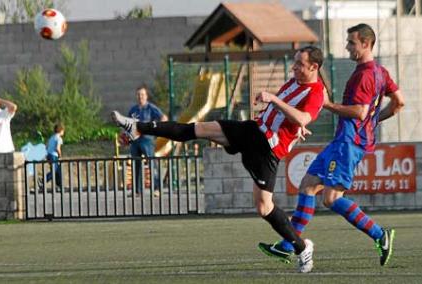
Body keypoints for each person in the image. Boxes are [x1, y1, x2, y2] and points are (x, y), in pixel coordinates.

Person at [111, 46, 326, 273]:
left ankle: (302, 247)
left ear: (314, 67)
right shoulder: (294, 81)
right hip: (254, 131)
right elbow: (291, 116)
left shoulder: (317, 92)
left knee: (264, 207)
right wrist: (291, 121)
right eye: (294, 62)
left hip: (267, 150)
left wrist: (274, 100)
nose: (294, 67)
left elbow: (302, 116)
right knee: (197, 129)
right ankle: (137, 128)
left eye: (300, 64)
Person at [262, 23, 405, 267]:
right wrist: (373, 120)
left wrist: (327, 105)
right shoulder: (380, 72)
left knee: (330, 197)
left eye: (352, 42)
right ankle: (289, 245)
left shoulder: (364, 75)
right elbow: (398, 102)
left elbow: (359, 112)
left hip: (348, 143)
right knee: (307, 186)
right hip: (345, 141)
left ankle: (380, 234)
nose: (348, 46)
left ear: (366, 44)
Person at [126, 85, 167, 195]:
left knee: (151, 163)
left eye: (142, 94)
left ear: (146, 96)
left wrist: (157, 128)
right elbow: (127, 124)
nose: (140, 97)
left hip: (147, 140)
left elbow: (163, 118)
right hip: (135, 141)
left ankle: (157, 189)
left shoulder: (151, 108)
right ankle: (137, 191)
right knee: (136, 164)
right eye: (139, 94)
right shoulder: (133, 110)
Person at [39, 123, 65, 189]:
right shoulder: (59, 138)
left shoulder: (51, 137)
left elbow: (46, 146)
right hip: (54, 155)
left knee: (58, 170)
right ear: (61, 130)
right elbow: (57, 148)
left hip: (49, 155)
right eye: (63, 131)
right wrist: (60, 155)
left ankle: (59, 185)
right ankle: (43, 180)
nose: (63, 132)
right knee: (54, 170)